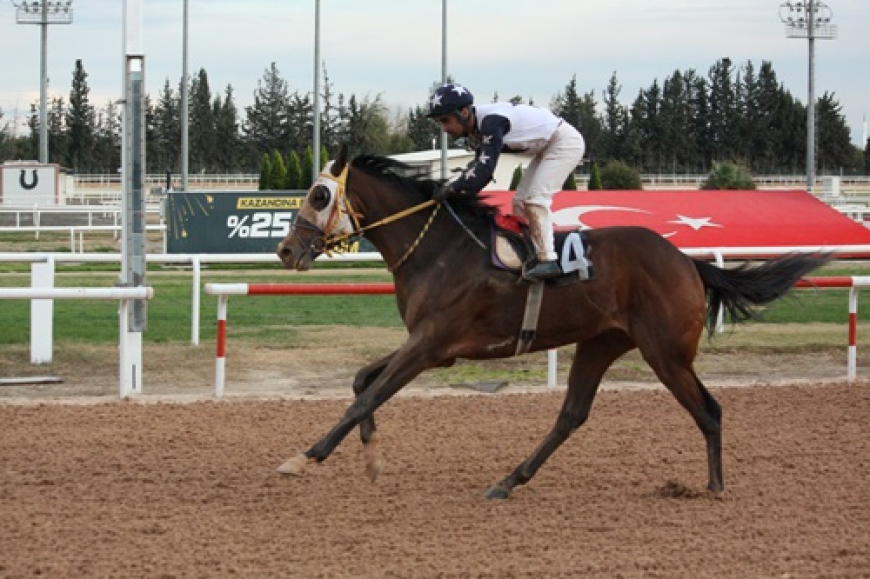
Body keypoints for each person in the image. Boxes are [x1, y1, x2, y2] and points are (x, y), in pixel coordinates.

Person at [426, 82, 586, 281]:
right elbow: (477, 170)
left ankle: (548, 260)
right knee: (519, 202)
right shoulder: (478, 127)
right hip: (546, 147)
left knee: (535, 200)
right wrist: (454, 188)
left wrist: (453, 189)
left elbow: (484, 171)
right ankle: (528, 254)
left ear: (464, 111)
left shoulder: (491, 123)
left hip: (564, 143)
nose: (444, 128)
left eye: (445, 120)